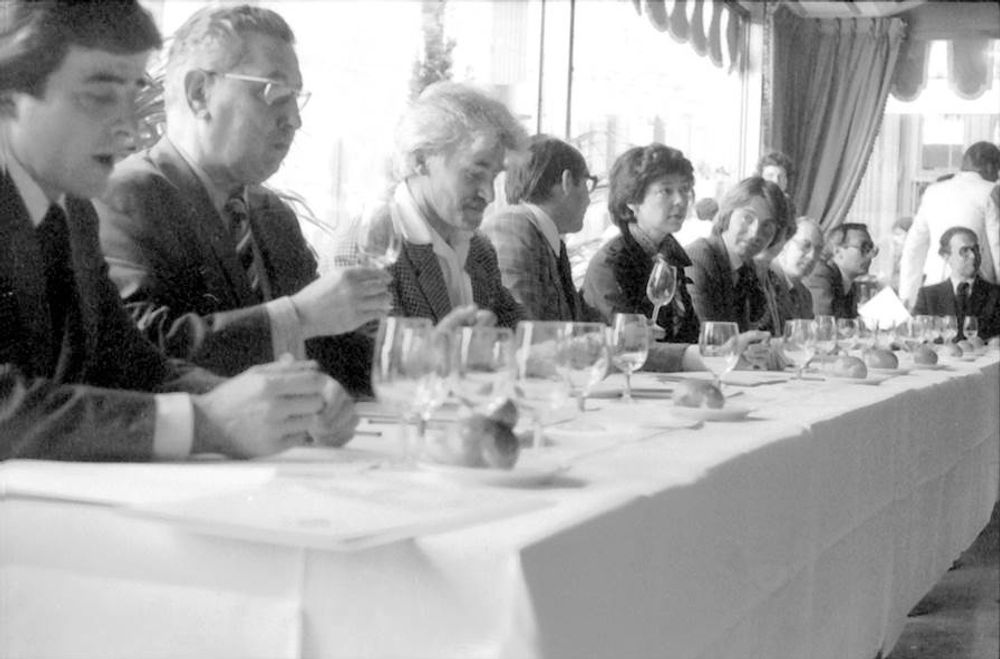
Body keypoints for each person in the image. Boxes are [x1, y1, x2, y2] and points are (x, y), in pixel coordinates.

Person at [1, 0, 354, 461]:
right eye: (101, 96)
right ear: (9, 96)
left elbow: (129, 364)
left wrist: (271, 403)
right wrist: (201, 422)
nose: (130, 130)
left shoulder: (73, 212)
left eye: (134, 96)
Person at [96, 4, 391, 397]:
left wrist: (426, 356)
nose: (295, 120)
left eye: (296, 97)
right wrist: (297, 316)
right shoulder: (124, 195)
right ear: (199, 93)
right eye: (275, 92)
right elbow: (140, 351)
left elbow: (328, 345)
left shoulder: (272, 215)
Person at [336, 81, 527, 328]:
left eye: (495, 176)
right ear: (420, 160)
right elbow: (376, 349)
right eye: (474, 174)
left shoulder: (480, 249)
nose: (489, 195)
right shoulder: (369, 245)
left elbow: (518, 332)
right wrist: (449, 345)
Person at [481, 135, 595, 321]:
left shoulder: (545, 237)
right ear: (567, 181)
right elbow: (522, 329)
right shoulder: (512, 229)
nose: (589, 199)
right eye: (587, 183)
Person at [899, 141, 1000, 308]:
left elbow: (913, 247)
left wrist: (907, 295)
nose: (997, 177)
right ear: (990, 167)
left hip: (934, 288)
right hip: (978, 293)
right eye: (998, 171)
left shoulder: (933, 191)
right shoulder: (991, 191)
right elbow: (997, 247)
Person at [686, 176, 790, 331]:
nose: (755, 233)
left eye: (767, 226)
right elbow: (707, 335)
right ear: (729, 213)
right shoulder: (698, 258)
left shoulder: (747, 269)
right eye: (747, 218)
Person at [913, 226, 1000, 341]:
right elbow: (917, 338)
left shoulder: (996, 295)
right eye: (964, 251)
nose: (973, 256)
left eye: (975, 249)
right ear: (946, 256)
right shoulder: (928, 296)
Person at [804, 222, 877, 319]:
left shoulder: (850, 286)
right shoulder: (820, 276)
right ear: (838, 252)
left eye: (871, 249)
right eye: (864, 248)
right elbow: (824, 323)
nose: (870, 255)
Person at [772, 217, 824, 320]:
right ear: (784, 243)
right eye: (805, 246)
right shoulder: (766, 282)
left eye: (818, 250)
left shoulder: (805, 295)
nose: (812, 256)